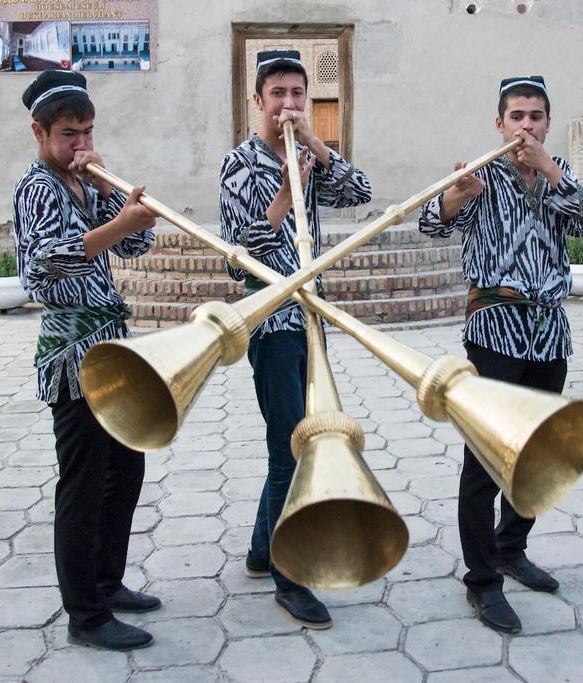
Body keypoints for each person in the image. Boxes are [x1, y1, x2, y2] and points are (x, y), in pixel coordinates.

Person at [417, 76, 583, 634]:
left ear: (548, 123)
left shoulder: (559, 175)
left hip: (549, 333)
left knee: (537, 452)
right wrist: (455, 197)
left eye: (536, 116)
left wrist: (549, 169)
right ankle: (483, 580)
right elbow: (430, 222)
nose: (525, 126)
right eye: (516, 115)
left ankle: (511, 547)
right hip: (494, 328)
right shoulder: (481, 173)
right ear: (499, 123)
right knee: (485, 460)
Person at [218, 50, 372, 629]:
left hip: (313, 324)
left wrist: (317, 147)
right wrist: (286, 190)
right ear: (257, 100)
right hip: (274, 327)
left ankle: (263, 551)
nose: (287, 105)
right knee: (293, 448)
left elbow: (361, 191)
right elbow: (239, 261)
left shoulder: (310, 155)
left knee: (292, 446)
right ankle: (290, 576)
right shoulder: (239, 165)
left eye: (297, 95)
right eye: (277, 94)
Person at [13, 69, 161, 650]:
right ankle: (86, 615)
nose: (81, 145)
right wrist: (116, 224)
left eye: (88, 132)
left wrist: (117, 206)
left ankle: (107, 581)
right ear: (39, 132)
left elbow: (134, 244)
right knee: (83, 482)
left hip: (110, 344)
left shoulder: (84, 184)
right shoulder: (36, 188)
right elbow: (43, 268)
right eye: (69, 134)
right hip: (72, 351)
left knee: (125, 469)